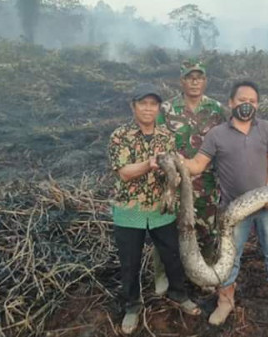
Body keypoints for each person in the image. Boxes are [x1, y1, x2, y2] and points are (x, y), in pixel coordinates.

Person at [183, 81, 268, 326]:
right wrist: (175, 162)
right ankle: (225, 301)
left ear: (257, 104)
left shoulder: (266, 129)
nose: (246, 104)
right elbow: (197, 165)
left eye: (252, 101)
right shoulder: (217, 134)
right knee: (229, 256)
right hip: (233, 211)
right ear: (230, 102)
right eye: (241, 100)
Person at [108, 84, 201, 334]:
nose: (148, 108)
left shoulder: (166, 136)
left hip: (162, 209)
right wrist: (150, 164)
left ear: (158, 108)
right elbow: (124, 173)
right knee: (130, 262)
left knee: (172, 254)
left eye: (153, 104)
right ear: (133, 106)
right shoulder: (120, 135)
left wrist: (175, 175)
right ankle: (132, 307)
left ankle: (178, 294)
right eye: (143, 104)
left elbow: (172, 168)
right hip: (130, 211)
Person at [153, 59, 226, 295]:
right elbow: (157, 143)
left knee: (206, 231)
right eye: (189, 77)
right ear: (181, 81)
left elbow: (227, 145)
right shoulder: (166, 110)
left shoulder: (217, 110)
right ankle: (163, 275)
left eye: (199, 77)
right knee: (166, 231)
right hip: (173, 184)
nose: (195, 81)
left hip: (206, 185)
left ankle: (202, 275)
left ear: (205, 81)